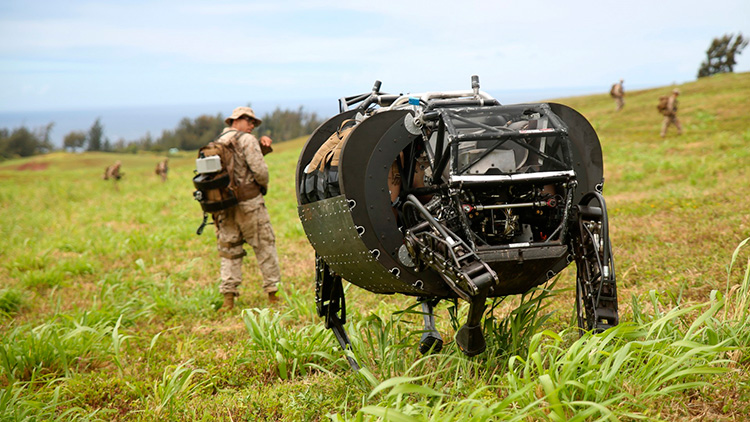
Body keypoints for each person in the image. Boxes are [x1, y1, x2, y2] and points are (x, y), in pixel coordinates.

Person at [213, 106, 280, 311]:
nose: (252, 125)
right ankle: (272, 295)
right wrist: (261, 186)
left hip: (224, 207)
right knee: (264, 246)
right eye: (249, 121)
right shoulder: (247, 140)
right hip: (250, 205)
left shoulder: (217, 143)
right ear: (237, 120)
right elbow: (260, 172)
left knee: (229, 251)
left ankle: (228, 300)